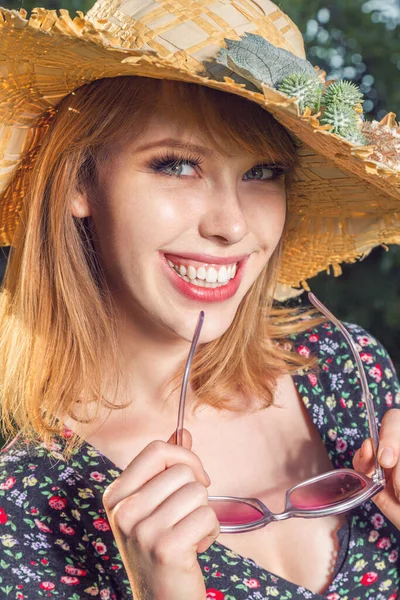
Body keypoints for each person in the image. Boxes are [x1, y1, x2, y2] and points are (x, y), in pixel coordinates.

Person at [0, 1, 400, 598]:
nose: (233, 226)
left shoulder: (345, 369)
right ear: (80, 181)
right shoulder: (21, 488)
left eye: (262, 172)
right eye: (178, 165)